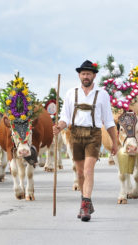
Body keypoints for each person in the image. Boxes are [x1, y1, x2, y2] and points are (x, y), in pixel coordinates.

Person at [53, 60, 118, 222]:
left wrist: (115, 142)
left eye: (89, 73)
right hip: (75, 134)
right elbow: (64, 118)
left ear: (94, 75)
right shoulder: (71, 93)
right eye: (83, 73)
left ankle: (85, 205)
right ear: (79, 75)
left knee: (88, 170)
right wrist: (58, 127)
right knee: (80, 172)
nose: (86, 76)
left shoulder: (102, 94)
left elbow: (109, 121)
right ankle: (85, 201)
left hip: (94, 135)